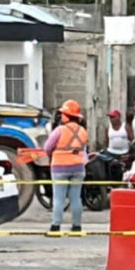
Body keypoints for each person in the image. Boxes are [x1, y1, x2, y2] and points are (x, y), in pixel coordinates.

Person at [43, 99, 89, 237]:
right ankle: (76, 226)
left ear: (67, 116)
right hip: (78, 167)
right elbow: (84, 149)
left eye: (63, 113)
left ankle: (56, 226)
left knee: (59, 198)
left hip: (59, 167)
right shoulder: (83, 131)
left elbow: (47, 148)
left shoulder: (59, 130)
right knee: (76, 198)